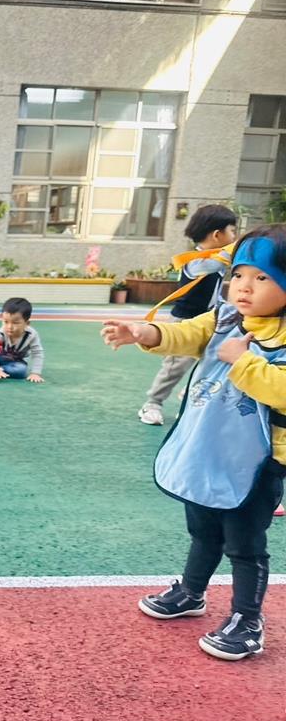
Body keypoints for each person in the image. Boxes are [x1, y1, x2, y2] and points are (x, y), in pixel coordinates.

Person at [101, 226, 286, 661]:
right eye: (239, 274)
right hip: (208, 447)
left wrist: (242, 362)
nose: (244, 286)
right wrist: (145, 333)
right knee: (202, 528)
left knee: (244, 543)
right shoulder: (225, 318)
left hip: (257, 462)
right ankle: (191, 592)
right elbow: (188, 333)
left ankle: (247, 620)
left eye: (262, 277)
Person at [139, 204, 238, 426]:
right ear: (217, 235)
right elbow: (220, 261)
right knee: (174, 367)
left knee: (216, 358)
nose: (234, 237)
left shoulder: (215, 258)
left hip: (210, 321)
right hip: (184, 321)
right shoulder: (197, 261)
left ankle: (190, 392)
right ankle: (152, 403)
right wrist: (240, 247)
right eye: (232, 231)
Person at [0, 297, 45, 382]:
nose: (9, 327)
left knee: (21, 370)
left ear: (27, 323)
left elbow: (37, 353)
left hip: (14, 362)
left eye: (15, 323)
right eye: (5, 322)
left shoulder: (31, 335)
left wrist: (35, 373)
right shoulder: (1, 333)